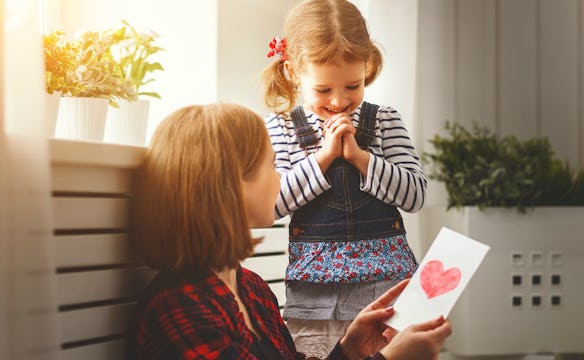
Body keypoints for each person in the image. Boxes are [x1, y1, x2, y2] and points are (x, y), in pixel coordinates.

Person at [129, 102, 451, 359]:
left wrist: (351, 349)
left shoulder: (252, 290)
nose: (280, 178)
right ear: (230, 187)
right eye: (271, 166)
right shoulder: (179, 308)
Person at [260, 0, 428, 357]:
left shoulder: (384, 121)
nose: (339, 101)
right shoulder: (282, 128)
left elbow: (415, 196)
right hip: (315, 305)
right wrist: (323, 158)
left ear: (367, 67)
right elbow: (271, 204)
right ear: (293, 73)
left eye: (353, 85)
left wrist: (361, 158)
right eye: (323, 90)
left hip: (389, 294)